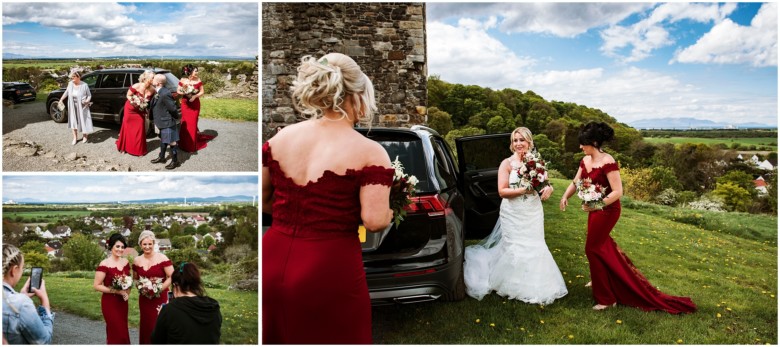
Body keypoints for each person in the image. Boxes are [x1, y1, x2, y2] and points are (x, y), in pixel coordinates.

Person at [262, 53, 393, 344]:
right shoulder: (370, 151)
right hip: (329, 267)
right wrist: (390, 213)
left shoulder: (280, 138)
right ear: (358, 92)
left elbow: (266, 198)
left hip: (272, 256)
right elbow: (373, 221)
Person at [559, 122, 697, 313]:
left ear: (594, 142)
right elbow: (576, 181)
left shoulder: (608, 162)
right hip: (595, 209)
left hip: (608, 211)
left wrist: (595, 205)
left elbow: (618, 192)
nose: (580, 147)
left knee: (592, 248)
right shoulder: (585, 161)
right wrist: (566, 195)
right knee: (600, 245)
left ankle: (607, 299)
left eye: (583, 144)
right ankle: (602, 278)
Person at [463, 127, 567, 305]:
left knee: (535, 244)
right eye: (515, 140)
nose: (518, 143)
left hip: (532, 211)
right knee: (514, 245)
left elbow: (545, 184)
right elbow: (502, 191)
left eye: (522, 140)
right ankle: (510, 283)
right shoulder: (507, 163)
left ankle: (536, 284)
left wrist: (549, 188)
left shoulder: (538, 162)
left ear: (529, 142)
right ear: (512, 144)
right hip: (512, 212)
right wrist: (524, 189)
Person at [150, 262, 222, 344]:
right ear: (196, 283)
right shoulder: (214, 306)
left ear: (175, 285)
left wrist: (161, 315)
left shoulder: (169, 310)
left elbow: (156, 341)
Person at [2, 245, 54, 344]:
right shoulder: (21, 304)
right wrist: (45, 300)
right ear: (14, 270)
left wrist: (22, 295)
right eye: (22, 268)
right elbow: (44, 341)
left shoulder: (18, 302)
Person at [132, 230, 174, 344]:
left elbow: (172, 276)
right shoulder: (137, 260)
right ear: (140, 244)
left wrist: (159, 288)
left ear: (154, 244)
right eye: (144, 244)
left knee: (159, 326)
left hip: (161, 298)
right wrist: (141, 287)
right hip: (145, 299)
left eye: (150, 244)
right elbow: (135, 278)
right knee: (146, 326)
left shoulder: (162, 258)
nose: (147, 247)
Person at [93, 233, 131, 344]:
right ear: (111, 247)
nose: (120, 249)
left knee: (123, 331)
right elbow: (96, 285)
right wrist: (117, 291)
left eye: (122, 247)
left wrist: (127, 292)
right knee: (116, 331)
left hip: (122, 303)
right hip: (110, 303)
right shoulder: (104, 264)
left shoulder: (126, 262)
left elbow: (128, 281)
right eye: (117, 246)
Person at [177, 64, 215, 153]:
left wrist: (195, 96)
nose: (197, 72)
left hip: (195, 104)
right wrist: (184, 90)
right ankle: (183, 144)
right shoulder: (183, 80)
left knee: (193, 123)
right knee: (185, 123)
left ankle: (191, 145)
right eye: (195, 70)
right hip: (185, 104)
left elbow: (202, 91)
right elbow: (178, 91)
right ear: (190, 71)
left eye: (197, 70)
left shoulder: (198, 80)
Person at [116, 70, 155, 156]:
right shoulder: (136, 86)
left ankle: (138, 149)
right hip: (130, 110)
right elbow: (128, 95)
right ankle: (124, 147)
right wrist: (135, 101)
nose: (154, 79)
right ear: (146, 78)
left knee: (140, 129)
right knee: (127, 128)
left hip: (140, 111)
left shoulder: (152, 89)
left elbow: (152, 101)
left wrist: (147, 109)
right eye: (152, 78)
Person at [149, 74, 181, 169]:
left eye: (153, 79)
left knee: (172, 142)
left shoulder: (165, 93)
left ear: (158, 83)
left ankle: (175, 161)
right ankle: (162, 157)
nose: (152, 80)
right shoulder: (158, 91)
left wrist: (175, 118)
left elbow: (172, 108)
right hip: (160, 121)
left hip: (167, 121)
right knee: (163, 139)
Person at [58, 71, 93, 145]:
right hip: (72, 105)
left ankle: (85, 136)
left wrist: (87, 101)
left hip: (82, 106)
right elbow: (66, 92)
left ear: (78, 77)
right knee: (73, 121)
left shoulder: (84, 85)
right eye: (71, 76)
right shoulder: (70, 84)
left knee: (83, 120)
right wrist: (61, 99)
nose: (72, 78)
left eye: (73, 76)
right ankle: (75, 138)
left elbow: (89, 95)